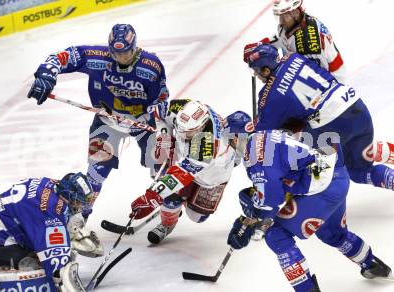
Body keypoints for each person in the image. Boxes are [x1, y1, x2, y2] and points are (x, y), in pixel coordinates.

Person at [27, 23, 171, 220]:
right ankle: (80, 218)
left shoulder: (151, 66)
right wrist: (46, 74)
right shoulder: (97, 57)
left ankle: (169, 212)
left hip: (142, 122)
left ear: (134, 47)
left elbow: (162, 97)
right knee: (95, 175)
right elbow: (62, 57)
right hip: (107, 120)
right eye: (115, 53)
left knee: (162, 166)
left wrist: (158, 111)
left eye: (126, 53)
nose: (120, 58)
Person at [227, 129, 392, 292]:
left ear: (236, 136)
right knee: (333, 233)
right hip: (336, 175)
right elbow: (280, 182)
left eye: (230, 141)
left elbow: (272, 199)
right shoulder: (265, 135)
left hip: (322, 187)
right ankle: (372, 265)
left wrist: (250, 220)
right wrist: (254, 214)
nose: (231, 147)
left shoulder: (254, 154)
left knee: (276, 235)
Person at [244, 43, 394, 191]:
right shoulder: (294, 57)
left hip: (330, 125)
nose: (257, 76)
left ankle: (305, 207)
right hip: (355, 106)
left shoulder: (268, 97)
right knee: (361, 170)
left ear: (265, 70)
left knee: (301, 167)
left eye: (257, 72)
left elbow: (263, 136)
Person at [129, 99, 251, 244]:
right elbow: (159, 113)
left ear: (203, 126)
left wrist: (152, 197)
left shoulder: (205, 144)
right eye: (179, 128)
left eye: (188, 132)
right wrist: (165, 137)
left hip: (212, 178)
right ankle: (169, 221)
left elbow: (180, 175)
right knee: (170, 196)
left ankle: (180, 202)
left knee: (196, 217)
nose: (181, 134)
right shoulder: (184, 108)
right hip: (186, 163)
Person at [0, 172, 103, 291]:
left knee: (49, 245)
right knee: (34, 269)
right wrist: (62, 274)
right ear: (68, 195)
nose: (79, 207)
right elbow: (56, 265)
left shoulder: (53, 184)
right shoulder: (50, 211)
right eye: (77, 202)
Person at [244, 0, 346, 83]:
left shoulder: (308, 44)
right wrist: (260, 46)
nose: (281, 21)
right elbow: (281, 39)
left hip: (329, 85)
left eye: (285, 16)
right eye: (279, 16)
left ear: (296, 12)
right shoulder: (296, 23)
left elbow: (311, 76)